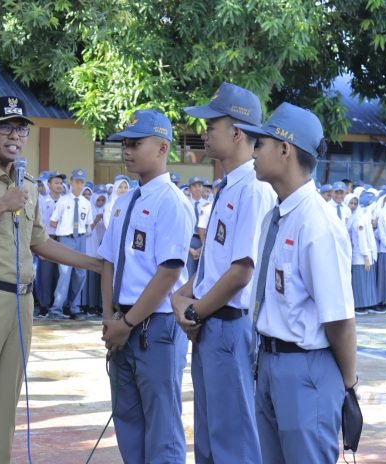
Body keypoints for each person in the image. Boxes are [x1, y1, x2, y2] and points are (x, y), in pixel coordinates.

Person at [0, 96, 102, 463]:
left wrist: (96, 264)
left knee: (3, 412)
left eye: (21, 128)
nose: (16, 135)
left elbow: (40, 242)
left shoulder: (28, 183)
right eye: (6, 127)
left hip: (20, 304)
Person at [236, 103, 357, 463]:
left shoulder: (317, 223)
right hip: (270, 361)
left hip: (307, 369)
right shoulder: (276, 215)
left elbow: (339, 319)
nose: (254, 152)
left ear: (284, 149)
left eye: (261, 143)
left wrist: (348, 386)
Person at [172, 81, 275, 463]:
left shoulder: (253, 189)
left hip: (229, 324)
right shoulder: (229, 187)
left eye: (211, 125)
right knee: (211, 437)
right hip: (211, 323)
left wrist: (196, 310)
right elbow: (213, 267)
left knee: (233, 438)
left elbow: (241, 271)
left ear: (236, 132)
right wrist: (183, 295)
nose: (204, 133)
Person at [99, 109, 194, 463]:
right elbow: (108, 262)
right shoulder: (124, 203)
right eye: (124, 144)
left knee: (162, 423)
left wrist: (125, 324)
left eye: (135, 144)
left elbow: (168, 273)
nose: (126, 151)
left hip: (154, 328)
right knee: (127, 419)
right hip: (122, 324)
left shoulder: (172, 203)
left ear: (162, 148)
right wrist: (110, 317)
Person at [47, 168, 94, 320]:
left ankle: (73, 306)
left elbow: (89, 223)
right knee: (65, 273)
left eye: (82, 182)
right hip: (66, 239)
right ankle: (57, 308)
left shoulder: (87, 203)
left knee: (80, 274)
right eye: (77, 182)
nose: (79, 185)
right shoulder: (63, 200)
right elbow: (53, 222)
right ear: (71, 183)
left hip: (80, 238)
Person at [34, 171, 66, 318]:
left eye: (61, 183)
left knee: (60, 274)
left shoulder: (66, 201)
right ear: (49, 185)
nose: (59, 186)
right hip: (47, 239)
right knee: (45, 275)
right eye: (56, 183)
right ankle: (44, 306)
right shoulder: (41, 202)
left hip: (63, 239)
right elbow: (38, 224)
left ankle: (58, 305)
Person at [348, 192, 381, 315]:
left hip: (367, 254)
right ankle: (359, 305)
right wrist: (366, 256)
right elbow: (361, 240)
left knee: (367, 281)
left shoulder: (365, 217)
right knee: (361, 282)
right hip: (361, 256)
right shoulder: (360, 219)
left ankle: (367, 303)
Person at [83, 188, 108, 314]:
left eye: (103, 199)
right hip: (92, 248)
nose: (101, 201)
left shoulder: (107, 209)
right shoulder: (89, 209)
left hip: (104, 249)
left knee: (102, 279)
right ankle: (90, 304)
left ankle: (100, 305)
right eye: (98, 199)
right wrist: (96, 221)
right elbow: (86, 231)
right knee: (91, 279)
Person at [187, 176, 209, 276]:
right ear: (189, 189)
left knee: (203, 272)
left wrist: (203, 246)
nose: (197, 188)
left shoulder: (208, 204)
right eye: (194, 186)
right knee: (190, 272)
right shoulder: (185, 204)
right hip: (189, 240)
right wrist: (189, 248)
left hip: (203, 239)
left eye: (200, 185)